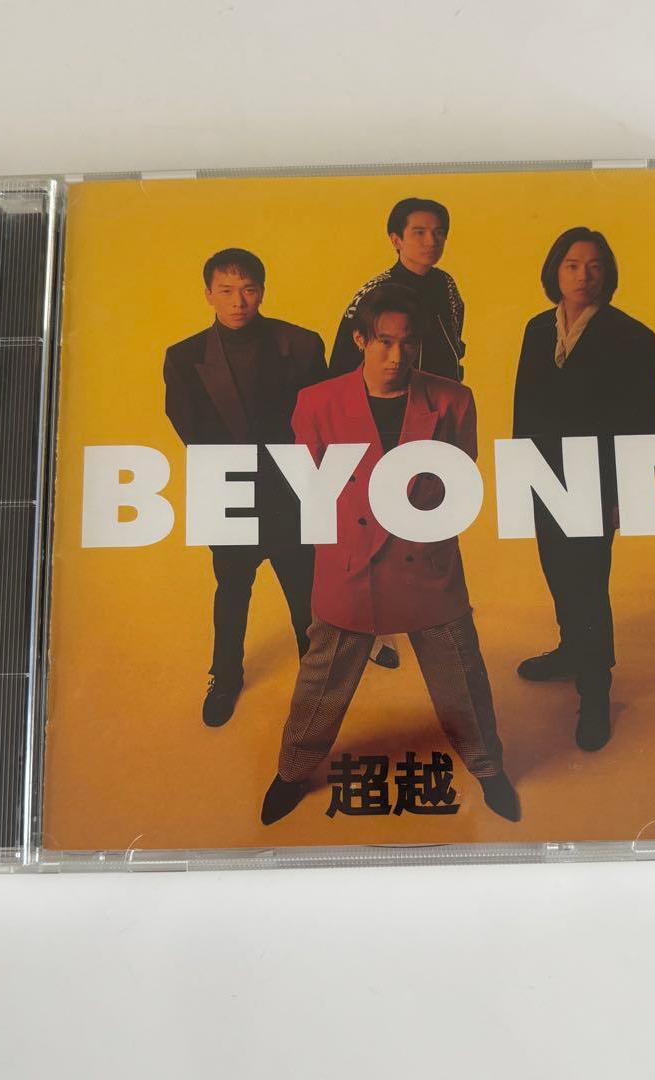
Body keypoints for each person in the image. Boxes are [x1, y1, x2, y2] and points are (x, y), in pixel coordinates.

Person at [260, 283, 519, 825]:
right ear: (360, 339)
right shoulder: (316, 402)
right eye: (384, 341)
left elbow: (458, 479)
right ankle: (292, 770)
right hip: (351, 561)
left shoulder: (453, 400)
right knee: (320, 682)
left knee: (462, 676)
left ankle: (489, 768)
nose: (397, 356)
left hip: (426, 558)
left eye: (408, 343)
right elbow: (312, 486)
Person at [512, 227, 655, 752]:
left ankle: (595, 692)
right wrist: (521, 476)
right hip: (545, 475)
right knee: (556, 568)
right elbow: (524, 408)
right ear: (555, 271)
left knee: (589, 582)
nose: (583, 275)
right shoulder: (538, 328)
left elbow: (641, 423)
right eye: (572, 265)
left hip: (598, 482)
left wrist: (627, 493)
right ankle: (571, 651)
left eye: (594, 266)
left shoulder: (633, 337)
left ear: (608, 273)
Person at [163, 248, 327, 727]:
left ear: (262, 291)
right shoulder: (184, 356)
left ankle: (318, 678)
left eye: (248, 290)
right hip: (230, 489)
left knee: (305, 591)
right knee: (232, 589)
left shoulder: (302, 344)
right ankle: (226, 676)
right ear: (208, 295)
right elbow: (191, 430)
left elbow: (319, 420)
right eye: (227, 291)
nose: (238, 302)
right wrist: (239, 479)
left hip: (292, 490)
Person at [329, 196, 466, 669]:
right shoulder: (375, 293)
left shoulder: (446, 286)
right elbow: (342, 364)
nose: (431, 241)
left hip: (433, 420)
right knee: (372, 530)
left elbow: (454, 347)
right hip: (383, 423)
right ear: (395, 239)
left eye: (439, 232)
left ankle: (422, 613)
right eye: (419, 232)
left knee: (426, 523)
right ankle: (372, 630)